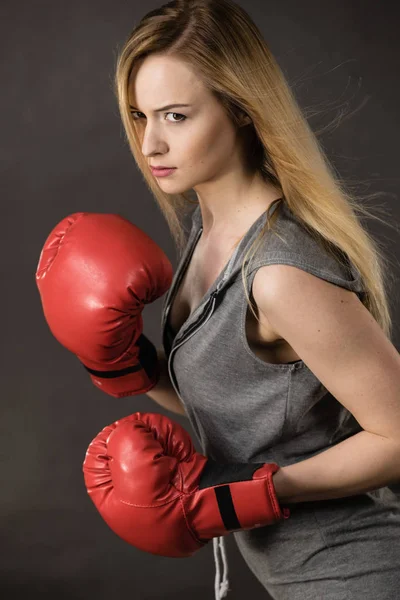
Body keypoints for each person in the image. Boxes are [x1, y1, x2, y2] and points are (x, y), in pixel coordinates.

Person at [38, 1, 400, 599]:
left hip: (357, 574)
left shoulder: (278, 272)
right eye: (138, 114)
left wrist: (249, 495)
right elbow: (238, 405)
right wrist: (123, 364)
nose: (150, 142)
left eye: (176, 116)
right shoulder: (209, 235)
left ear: (239, 108)